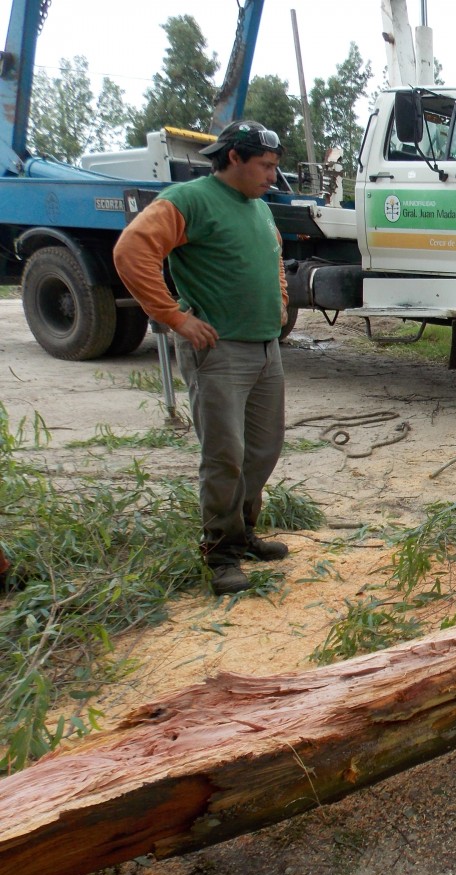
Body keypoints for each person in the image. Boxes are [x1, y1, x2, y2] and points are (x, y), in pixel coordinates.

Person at [114, 120, 290, 596]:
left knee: (263, 450)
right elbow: (131, 250)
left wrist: (279, 301)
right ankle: (221, 552)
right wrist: (175, 317)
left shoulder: (257, 207)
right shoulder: (190, 199)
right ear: (233, 158)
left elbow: (271, 258)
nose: (273, 177)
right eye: (266, 166)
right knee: (225, 457)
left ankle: (245, 530)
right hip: (220, 352)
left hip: (264, 348)